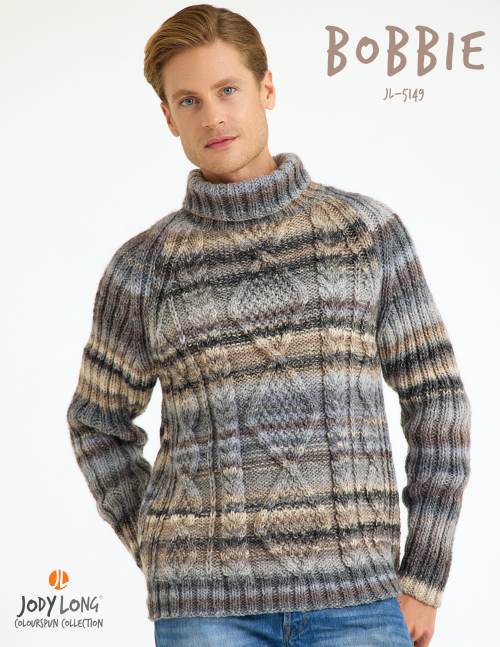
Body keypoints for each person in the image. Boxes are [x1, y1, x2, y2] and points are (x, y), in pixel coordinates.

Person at [66, 4, 471, 646]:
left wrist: (423, 575)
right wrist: (161, 544)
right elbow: (96, 421)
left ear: (267, 89)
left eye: (227, 89)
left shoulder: (364, 232)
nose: (213, 115)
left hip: (358, 602)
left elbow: (437, 397)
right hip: (205, 612)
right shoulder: (143, 268)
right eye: (190, 101)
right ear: (168, 117)